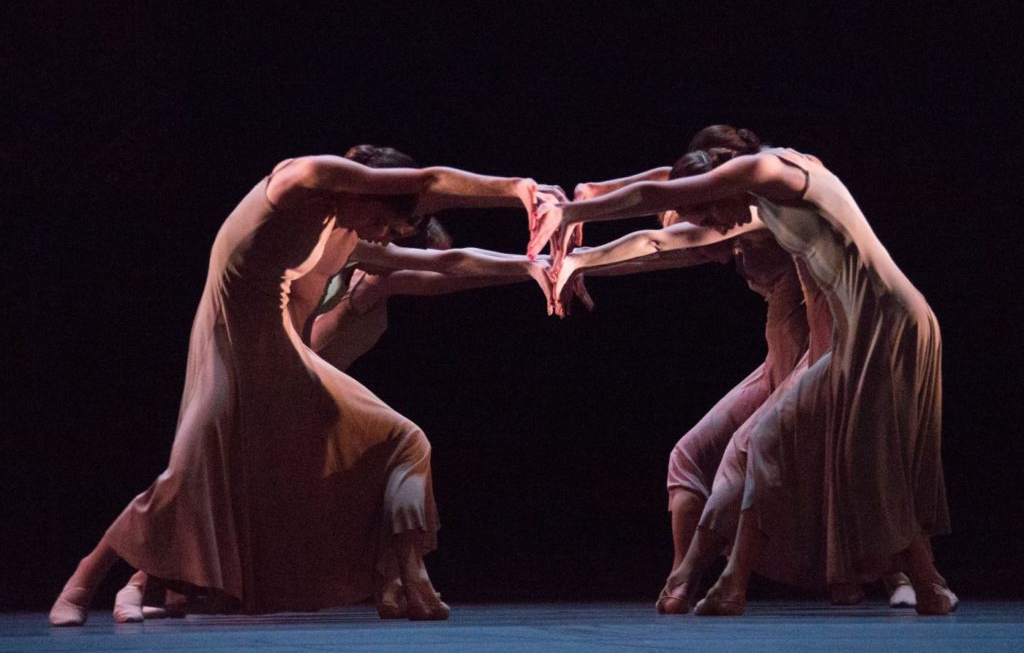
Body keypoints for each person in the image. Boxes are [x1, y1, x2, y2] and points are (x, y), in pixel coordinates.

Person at [50, 145, 559, 626]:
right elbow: (427, 182)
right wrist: (519, 189)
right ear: (363, 189)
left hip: (282, 348)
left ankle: (398, 574)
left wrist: (534, 267)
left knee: (401, 437)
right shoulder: (304, 176)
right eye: (382, 220)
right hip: (228, 336)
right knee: (190, 471)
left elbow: (443, 263)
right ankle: (84, 581)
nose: (383, 234)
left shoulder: (345, 237)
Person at [534, 128, 954, 615]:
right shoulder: (761, 192)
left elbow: (659, 197)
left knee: (821, 450)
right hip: (864, 325)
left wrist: (570, 213)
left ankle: (733, 583)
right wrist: (594, 196)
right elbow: (664, 188)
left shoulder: (768, 169)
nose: (715, 226)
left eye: (709, 209)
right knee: (865, 463)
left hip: (885, 319)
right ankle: (930, 587)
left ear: (722, 178)